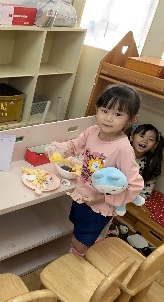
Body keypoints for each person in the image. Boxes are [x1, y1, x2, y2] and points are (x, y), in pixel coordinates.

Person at [45, 84, 144, 257]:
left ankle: (75, 267)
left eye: (118, 114)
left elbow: (135, 186)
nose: (108, 118)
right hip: (81, 195)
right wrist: (56, 149)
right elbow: (74, 146)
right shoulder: (93, 131)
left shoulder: (123, 149)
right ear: (97, 109)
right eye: (104, 110)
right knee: (79, 230)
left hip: (99, 207)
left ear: (131, 120)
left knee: (80, 242)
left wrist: (101, 197)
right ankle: (87, 248)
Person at [128, 124, 164, 199]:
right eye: (142, 136)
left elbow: (145, 193)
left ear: (155, 145)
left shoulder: (151, 164)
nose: (145, 141)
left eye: (151, 139)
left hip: (131, 198)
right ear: (132, 137)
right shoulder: (121, 152)